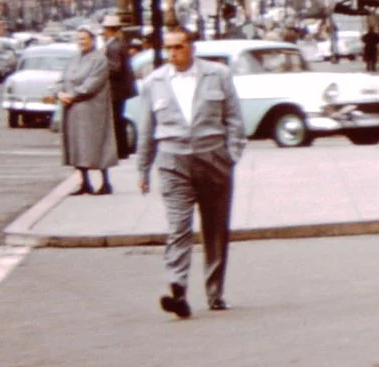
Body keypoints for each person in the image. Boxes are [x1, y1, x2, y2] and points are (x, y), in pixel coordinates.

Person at [138, 26, 247, 319]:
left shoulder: (217, 75)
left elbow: (234, 118)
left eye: (179, 47)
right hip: (173, 162)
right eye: (169, 48)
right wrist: (143, 168)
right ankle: (178, 290)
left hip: (213, 160)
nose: (173, 53)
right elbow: (146, 128)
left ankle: (215, 293)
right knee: (178, 227)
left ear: (192, 48)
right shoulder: (153, 82)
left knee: (215, 230)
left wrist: (232, 154)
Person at [55, 27, 122, 195]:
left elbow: (93, 83)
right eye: (79, 39)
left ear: (92, 40)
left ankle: (105, 182)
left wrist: (73, 95)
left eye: (84, 39)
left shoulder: (100, 60)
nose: (81, 42)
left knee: (97, 145)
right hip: (73, 110)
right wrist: (59, 92)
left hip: (92, 110)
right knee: (77, 146)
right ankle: (84, 181)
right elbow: (62, 78)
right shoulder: (74, 59)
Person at [101, 16, 140, 162]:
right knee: (118, 119)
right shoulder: (117, 43)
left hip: (116, 89)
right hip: (121, 89)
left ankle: (120, 150)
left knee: (116, 120)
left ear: (108, 30)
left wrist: (102, 66)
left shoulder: (113, 46)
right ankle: (121, 149)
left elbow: (115, 68)